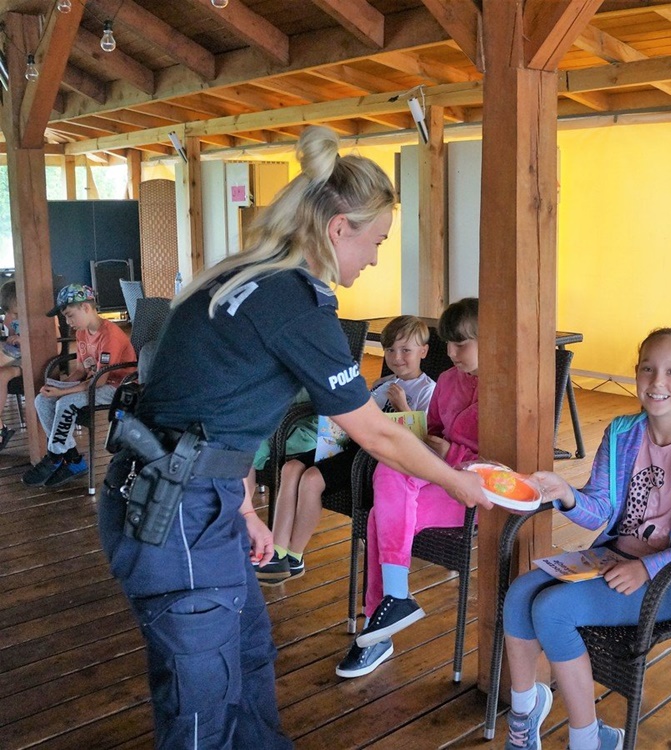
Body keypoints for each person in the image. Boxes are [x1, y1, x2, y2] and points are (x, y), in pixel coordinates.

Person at [96, 126, 490, 750]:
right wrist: (458, 482)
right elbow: (377, 434)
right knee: (203, 707)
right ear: (340, 230)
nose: (377, 257)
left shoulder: (245, 277)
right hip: (178, 513)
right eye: (378, 241)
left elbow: (214, 405)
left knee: (249, 657)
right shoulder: (296, 303)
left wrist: (243, 504)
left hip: (193, 497)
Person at [502, 328, 671, 750]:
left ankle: (587, 740)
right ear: (636, 374)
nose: (657, 382)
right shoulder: (622, 433)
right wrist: (566, 493)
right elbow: (601, 508)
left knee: (554, 610)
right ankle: (525, 713)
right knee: (520, 592)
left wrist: (646, 568)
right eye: (647, 369)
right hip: (613, 559)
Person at [336, 297, 479, 679]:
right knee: (383, 496)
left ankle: (384, 620)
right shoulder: (449, 381)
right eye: (448, 344)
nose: (451, 353)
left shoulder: (507, 391)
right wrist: (428, 443)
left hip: (478, 494)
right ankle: (383, 619)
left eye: (461, 344)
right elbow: (429, 431)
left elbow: (508, 462)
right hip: (438, 481)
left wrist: (453, 451)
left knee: (380, 509)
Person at [255, 314, 436, 584]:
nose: (397, 357)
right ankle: (277, 551)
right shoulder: (382, 385)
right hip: (349, 446)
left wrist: (403, 408)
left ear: (423, 351)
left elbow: (419, 441)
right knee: (291, 468)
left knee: (312, 479)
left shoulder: (427, 389)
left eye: (405, 350)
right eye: (390, 350)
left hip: (374, 459)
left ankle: (295, 555)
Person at [22, 284, 136, 487]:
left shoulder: (110, 335)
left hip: (118, 387)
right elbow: (81, 371)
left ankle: (55, 456)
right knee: (42, 400)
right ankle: (73, 459)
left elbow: (100, 381)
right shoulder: (82, 333)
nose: (68, 322)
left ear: (86, 307)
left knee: (66, 402)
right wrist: (56, 387)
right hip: (96, 382)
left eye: (70, 315)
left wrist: (63, 392)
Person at [0, 279, 21, 452]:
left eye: (15, 313)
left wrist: (25, 340)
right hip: (16, 356)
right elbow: (12, 337)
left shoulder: (42, 317)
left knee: (1, 375)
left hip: (33, 360)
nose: (12, 317)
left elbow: (56, 345)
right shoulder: (13, 318)